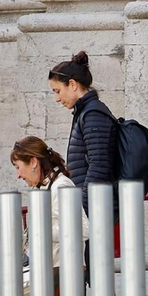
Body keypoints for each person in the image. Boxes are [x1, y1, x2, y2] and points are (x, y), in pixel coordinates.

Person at [11, 136, 81, 296]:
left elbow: (82, 227)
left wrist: (42, 229)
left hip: (61, 270)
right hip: (47, 271)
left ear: (32, 162)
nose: (18, 175)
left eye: (18, 167)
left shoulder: (62, 187)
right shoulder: (42, 189)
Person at [49, 52, 116, 219]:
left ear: (72, 84)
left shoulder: (93, 114)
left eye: (57, 91)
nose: (57, 98)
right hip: (92, 209)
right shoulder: (86, 113)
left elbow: (99, 167)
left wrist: (81, 210)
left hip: (95, 212)